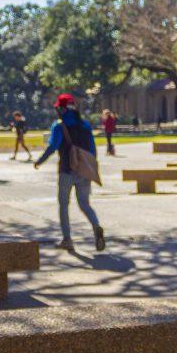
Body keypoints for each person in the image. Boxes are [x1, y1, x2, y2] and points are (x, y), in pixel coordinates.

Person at [35, 94, 105, 252]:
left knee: (64, 205)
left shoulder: (59, 126)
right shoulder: (85, 125)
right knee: (85, 204)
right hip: (83, 170)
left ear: (63, 108)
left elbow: (53, 147)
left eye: (58, 108)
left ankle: (67, 239)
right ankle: (96, 227)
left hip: (66, 170)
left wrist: (39, 161)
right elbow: (92, 150)